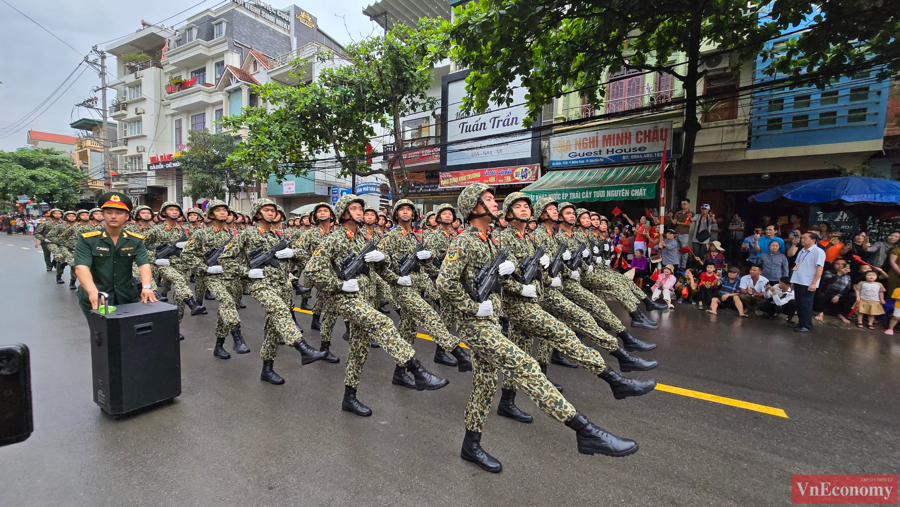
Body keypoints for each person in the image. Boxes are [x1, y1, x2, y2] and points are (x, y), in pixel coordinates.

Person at [436, 183, 642, 473]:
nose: (495, 204)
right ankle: (586, 431)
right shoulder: (463, 242)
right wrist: (472, 308)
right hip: (476, 326)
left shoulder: (489, 241)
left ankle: (470, 445)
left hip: (492, 319)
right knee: (525, 366)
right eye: (488, 200)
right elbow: (443, 284)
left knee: (485, 385)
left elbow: (492, 280)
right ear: (474, 208)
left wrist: (510, 277)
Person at [305, 194, 448, 414]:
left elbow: (380, 270)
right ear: (344, 213)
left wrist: (390, 271)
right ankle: (415, 369)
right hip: (348, 299)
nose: (360, 212)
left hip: (367, 298)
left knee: (358, 351)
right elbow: (312, 272)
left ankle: (349, 398)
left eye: (360, 208)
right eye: (354, 208)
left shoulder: (363, 239)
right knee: (384, 323)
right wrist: (339, 285)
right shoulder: (333, 239)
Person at [219, 199, 326, 384]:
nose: (271, 213)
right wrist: (247, 272)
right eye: (266, 210)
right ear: (257, 213)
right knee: (280, 311)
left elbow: (305, 257)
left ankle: (267, 369)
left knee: (272, 330)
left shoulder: (278, 236)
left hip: (282, 286)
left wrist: (293, 254)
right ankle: (303, 348)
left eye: (272, 210)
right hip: (261, 285)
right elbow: (225, 259)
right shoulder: (247, 234)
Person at [182, 200, 249, 359]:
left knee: (225, 312)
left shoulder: (234, 234)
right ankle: (237, 337)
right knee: (227, 303)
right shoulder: (201, 233)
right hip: (212, 277)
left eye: (225, 210)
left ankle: (219, 345)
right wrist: (205, 268)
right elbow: (186, 254)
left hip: (231, 277)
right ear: (211, 214)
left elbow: (242, 256)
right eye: (218, 210)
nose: (223, 213)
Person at [73, 192, 157, 320]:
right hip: (97, 297)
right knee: (101, 337)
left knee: (128, 335)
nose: (113, 216)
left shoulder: (135, 240)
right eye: (109, 212)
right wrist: (92, 291)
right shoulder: (88, 240)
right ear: (103, 215)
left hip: (126, 296)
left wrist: (146, 286)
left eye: (118, 213)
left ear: (127, 216)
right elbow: (81, 267)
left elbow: (143, 264)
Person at [790, 232, 826, 333]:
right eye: (802, 238)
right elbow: (796, 266)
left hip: (808, 282)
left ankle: (806, 325)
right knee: (799, 303)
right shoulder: (802, 250)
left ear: (813, 240)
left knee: (806, 304)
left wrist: (814, 283)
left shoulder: (818, 251)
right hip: (798, 280)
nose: (802, 240)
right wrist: (793, 280)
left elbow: (819, 268)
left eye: (805, 238)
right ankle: (801, 322)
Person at [813, 259, 855, 324]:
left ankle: (842, 314)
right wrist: (839, 274)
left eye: (843, 264)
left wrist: (838, 295)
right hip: (827, 293)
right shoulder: (828, 272)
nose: (840, 266)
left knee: (852, 296)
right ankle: (820, 312)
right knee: (821, 295)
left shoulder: (847, 276)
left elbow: (847, 289)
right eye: (837, 264)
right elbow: (829, 281)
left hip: (838, 295)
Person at [673, 199, 693, 268]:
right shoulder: (678, 213)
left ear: (688, 204)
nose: (683, 205)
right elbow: (674, 223)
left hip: (684, 234)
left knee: (684, 250)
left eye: (685, 204)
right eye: (682, 204)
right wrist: (670, 218)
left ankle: (683, 266)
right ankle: (677, 265)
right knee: (677, 250)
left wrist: (679, 223)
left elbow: (688, 224)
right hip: (677, 232)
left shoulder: (690, 213)